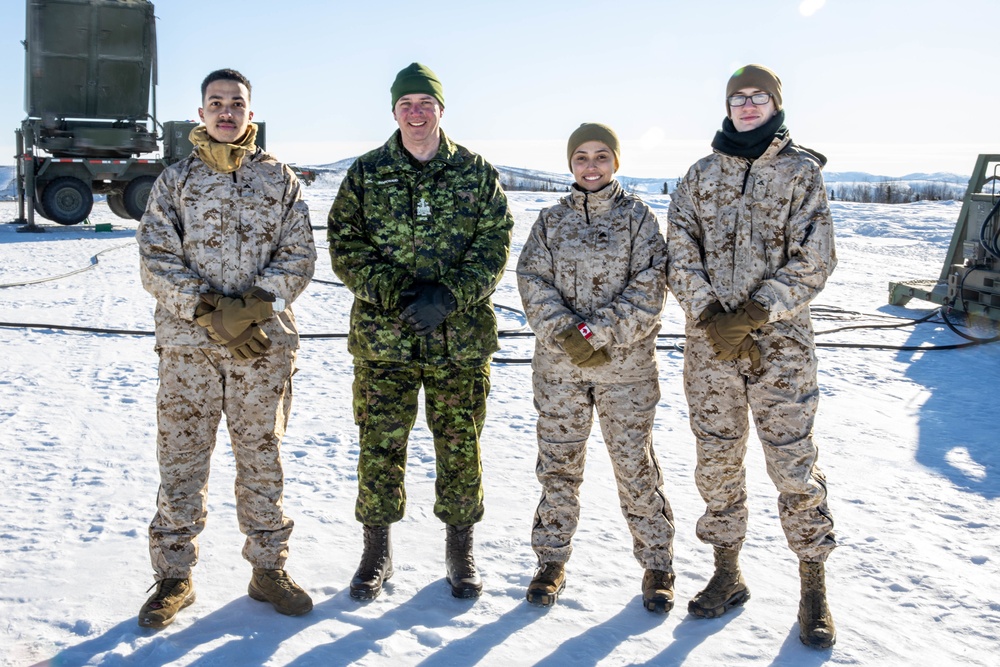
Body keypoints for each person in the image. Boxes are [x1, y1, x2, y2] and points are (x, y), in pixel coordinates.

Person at [135, 68, 317, 628]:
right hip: (190, 349)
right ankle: (173, 575)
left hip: (260, 349)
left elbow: (299, 254)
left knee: (262, 458)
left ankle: (267, 569)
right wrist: (210, 311)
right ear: (201, 114)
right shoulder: (175, 182)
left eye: (236, 104)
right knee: (182, 461)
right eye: (216, 103)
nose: (226, 112)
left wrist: (253, 307)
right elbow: (154, 257)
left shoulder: (279, 180)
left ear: (249, 114)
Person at [327, 63, 514, 601]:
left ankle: (460, 548)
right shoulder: (367, 173)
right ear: (393, 111)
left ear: (440, 109)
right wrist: (399, 293)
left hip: (459, 339)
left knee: (460, 445)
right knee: (380, 444)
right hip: (386, 340)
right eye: (406, 103)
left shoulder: (475, 172)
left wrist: (449, 297)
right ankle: (376, 550)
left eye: (425, 102)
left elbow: (494, 243)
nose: (416, 111)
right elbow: (346, 244)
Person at [666, 64, 837, 648]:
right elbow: (679, 252)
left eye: (756, 98)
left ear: (774, 104)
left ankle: (813, 586)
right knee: (716, 460)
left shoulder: (799, 174)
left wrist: (755, 312)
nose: (745, 106)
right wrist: (712, 316)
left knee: (792, 464)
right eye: (737, 98)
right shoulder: (700, 175)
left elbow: (815, 258)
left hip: (780, 349)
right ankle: (726, 572)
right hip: (711, 348)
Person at [516, 123, 675, 611]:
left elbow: (650, 287)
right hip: (560, 371)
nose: (591, 166)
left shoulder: (639, 220)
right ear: (570, 164)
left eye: (601, 156)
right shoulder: (550, 221)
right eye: (581, 157)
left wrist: (595, 335)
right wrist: (567, 333)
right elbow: (531, 279)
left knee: (635, 466)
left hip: (624, 370)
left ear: (616, 162)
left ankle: (657, 564)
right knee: (559, 467)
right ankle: (550, 560)